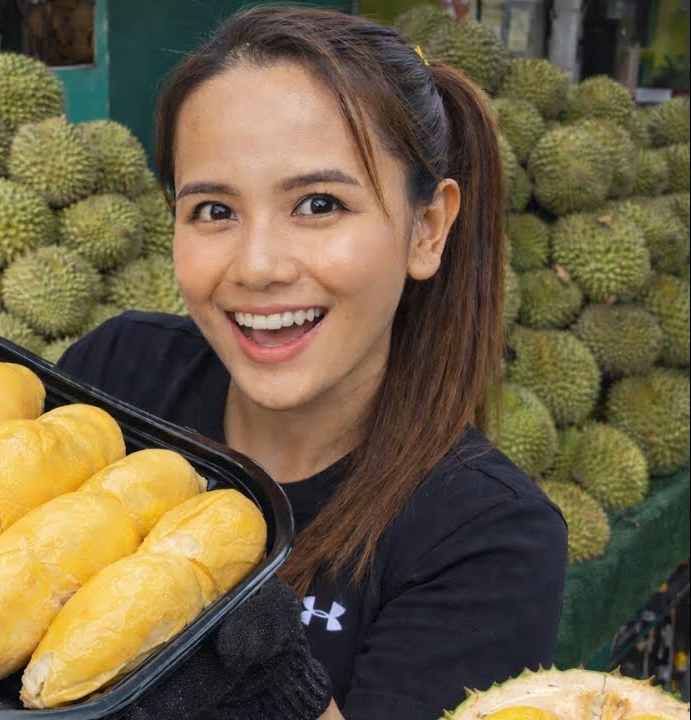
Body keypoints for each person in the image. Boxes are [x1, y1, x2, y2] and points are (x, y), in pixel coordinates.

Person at [56, 6, 568, 720]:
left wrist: (271, 688)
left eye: (319, 204)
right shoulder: (117, 376)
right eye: (213, 210)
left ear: (428, 229)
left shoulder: (487, 540)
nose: (259, 267)